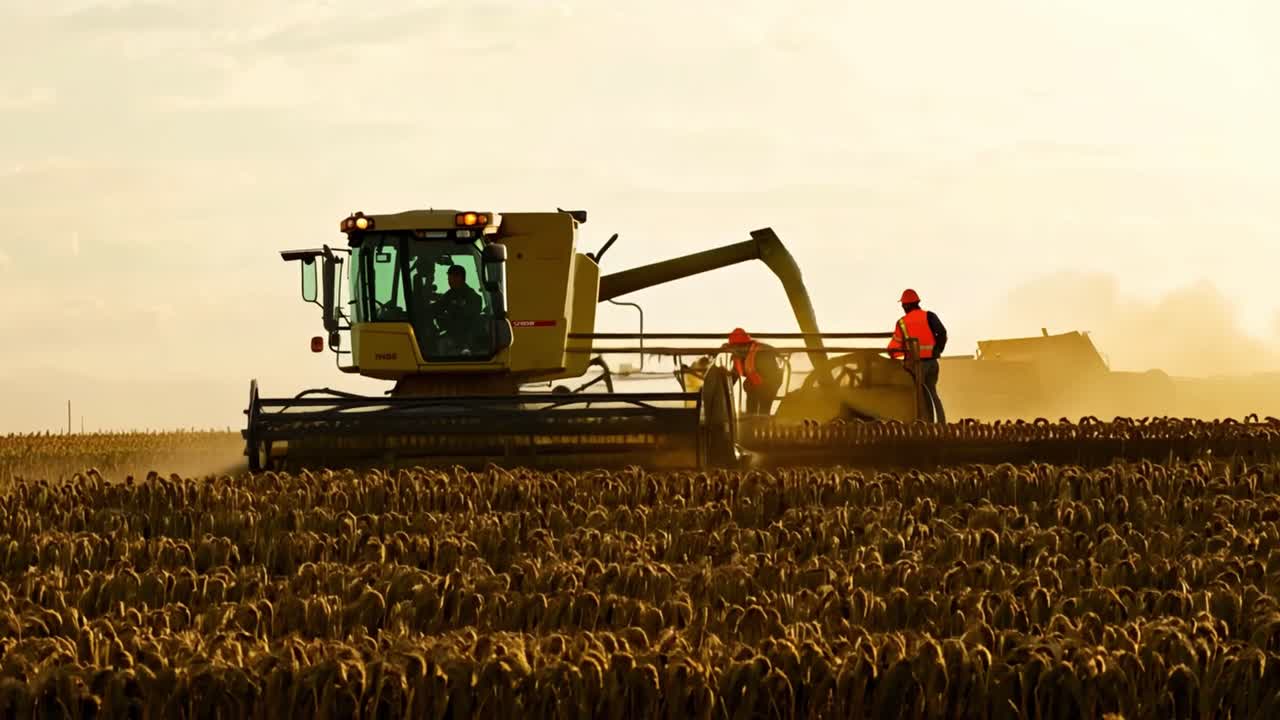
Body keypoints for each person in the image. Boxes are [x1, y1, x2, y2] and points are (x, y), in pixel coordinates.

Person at [887, 289, 947, 423]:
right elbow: (942, 333)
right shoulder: (929, 316)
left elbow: (894, 347)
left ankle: (925, 423)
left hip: (917, 364)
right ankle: (941, 423)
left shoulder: (902, 322)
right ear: (917, 302)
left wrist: (898, 355)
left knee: (919, 396)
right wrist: (937, 350)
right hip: (932, 362)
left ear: (906, 305)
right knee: (932, 392)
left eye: (903, 305)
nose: (902, 307)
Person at [724, 327, 784, 417]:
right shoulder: (741, 355)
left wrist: (752, 386)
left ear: (743, 346)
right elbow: (734, 376)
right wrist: (724, 390)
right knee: (750, 392)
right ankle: (751, 419)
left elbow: (771, 379)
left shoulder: (762, 353)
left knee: (761, 408)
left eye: (734, 348)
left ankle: (761, 421)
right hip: (755, 383)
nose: (733, 351)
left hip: (771, 381)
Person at [433, 264, 485, 354]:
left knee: (442, 345)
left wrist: (450, 316)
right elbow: (437, 307)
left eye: (451, 278)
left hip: (466, 338)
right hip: (453, 334)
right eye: (448, 279)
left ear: (459, 278)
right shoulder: (450, 295)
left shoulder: (473, 297)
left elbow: (468, 317)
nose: (449, 281)